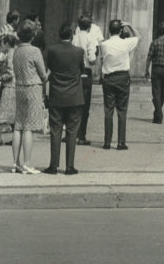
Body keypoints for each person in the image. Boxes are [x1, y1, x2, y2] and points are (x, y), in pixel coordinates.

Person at [43, 22, 85, 175]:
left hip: (57, 95)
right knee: (72, 132)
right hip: (74, 96)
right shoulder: (79, 51)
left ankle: (53, 165)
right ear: (72, 36)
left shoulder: (52, 50)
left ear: (59, 35)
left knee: (55, 130)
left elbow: (48, 69)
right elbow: (82, 69)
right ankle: (69, 166)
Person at [11, 20, 49, 174]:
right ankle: (27, 163)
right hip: (33, 88)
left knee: (18, 125)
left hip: (19, 87)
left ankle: (15, 163)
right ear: (33, 35)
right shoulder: (35, 51)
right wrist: (49, 73)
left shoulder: (16, 51)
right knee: (29, 127)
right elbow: (43, 74)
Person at [100, 19, 140, 150]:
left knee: (108, 110)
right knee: (122, 111)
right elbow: (138, 36)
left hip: (109, 78)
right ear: (121, 30)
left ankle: (107, 141)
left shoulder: (104, 44)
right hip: (122, 77)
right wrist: (129, 24)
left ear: (109, 30)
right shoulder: (126, 43)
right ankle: (121, 142)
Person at [71, 13, 103, 145]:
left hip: (74, 73)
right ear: (89, 27)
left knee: (73, 105)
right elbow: (92, 60)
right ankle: (81, 135)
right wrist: (95, 55)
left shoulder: (74, 38)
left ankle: (72, 132)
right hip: (85, 72)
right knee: (85, 106)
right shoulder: (90, 39)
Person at [144, 22, 164, 124]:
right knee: (162, 93)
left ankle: (158, 114)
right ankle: (157, 115)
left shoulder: (154, 43)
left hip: (156, 69)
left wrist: (146, 70)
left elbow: (149, 58)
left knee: (156, 93)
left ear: (158, 31)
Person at [0, 31, 17, 146]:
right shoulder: (9, 53)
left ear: (6, 43)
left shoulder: (10, 55)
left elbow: (11, 73)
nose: (1, 45)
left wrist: (1, 77)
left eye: (2, 43)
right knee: (12, 113)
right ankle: (15, 138)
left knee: (2, 110)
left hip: (9, 86)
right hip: (11, 86)